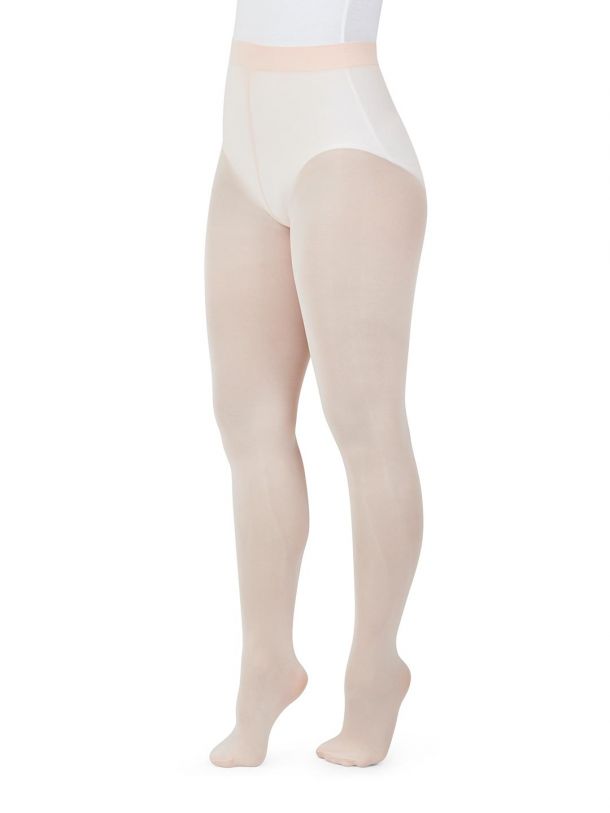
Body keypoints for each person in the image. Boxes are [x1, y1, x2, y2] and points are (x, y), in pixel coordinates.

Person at [204, 0, 427, 768]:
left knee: (363, 421)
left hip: (346, 141)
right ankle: (265, 664)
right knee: (246, 419)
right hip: (244, 142)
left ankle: (375, 671)